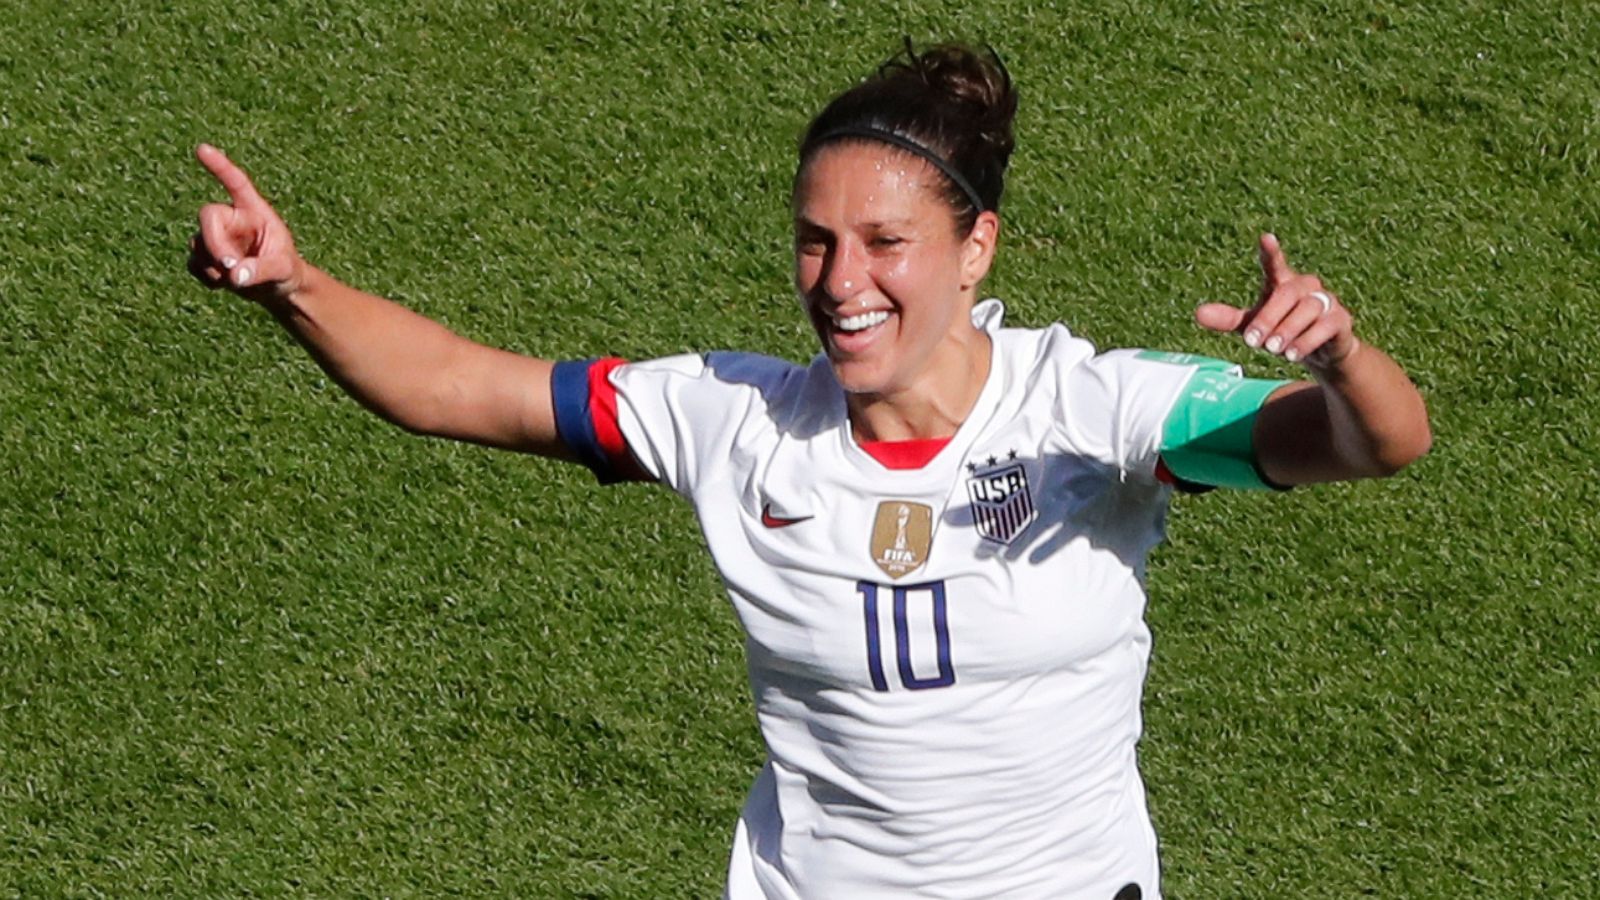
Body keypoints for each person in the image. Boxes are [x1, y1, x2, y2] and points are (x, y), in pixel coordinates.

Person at [187, 43, 1430, 900]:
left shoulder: (1089, 407)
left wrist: (1342, 361)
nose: (842, 284)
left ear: (974, 247)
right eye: (816, 241)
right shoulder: (735, 419)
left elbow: (1376, 442)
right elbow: (469, 386)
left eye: (886, 242)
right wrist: (294, 285)